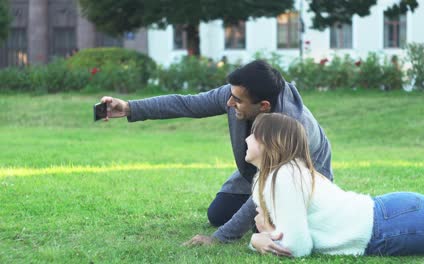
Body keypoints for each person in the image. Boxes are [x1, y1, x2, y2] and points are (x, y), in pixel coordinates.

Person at [99, 60, 333, 247]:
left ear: (263, 106)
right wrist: (130, 107)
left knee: (269, 226)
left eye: (237, 100)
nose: (229, 102)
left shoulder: (292, 125)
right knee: (218, 214)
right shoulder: (237, 94)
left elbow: (267, 185)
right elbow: (187, 104)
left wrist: (219, 239)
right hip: (257, 173)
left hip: (302, 181)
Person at [246, 113, 424, 257]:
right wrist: (267, 233)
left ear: (269, 142)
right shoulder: (274, 178)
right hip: (390, 217)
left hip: (392, 224)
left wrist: (258, 238)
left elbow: (296, 248)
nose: (246, 139)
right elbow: (284, 237)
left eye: (254, 135)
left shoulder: (284, 176)